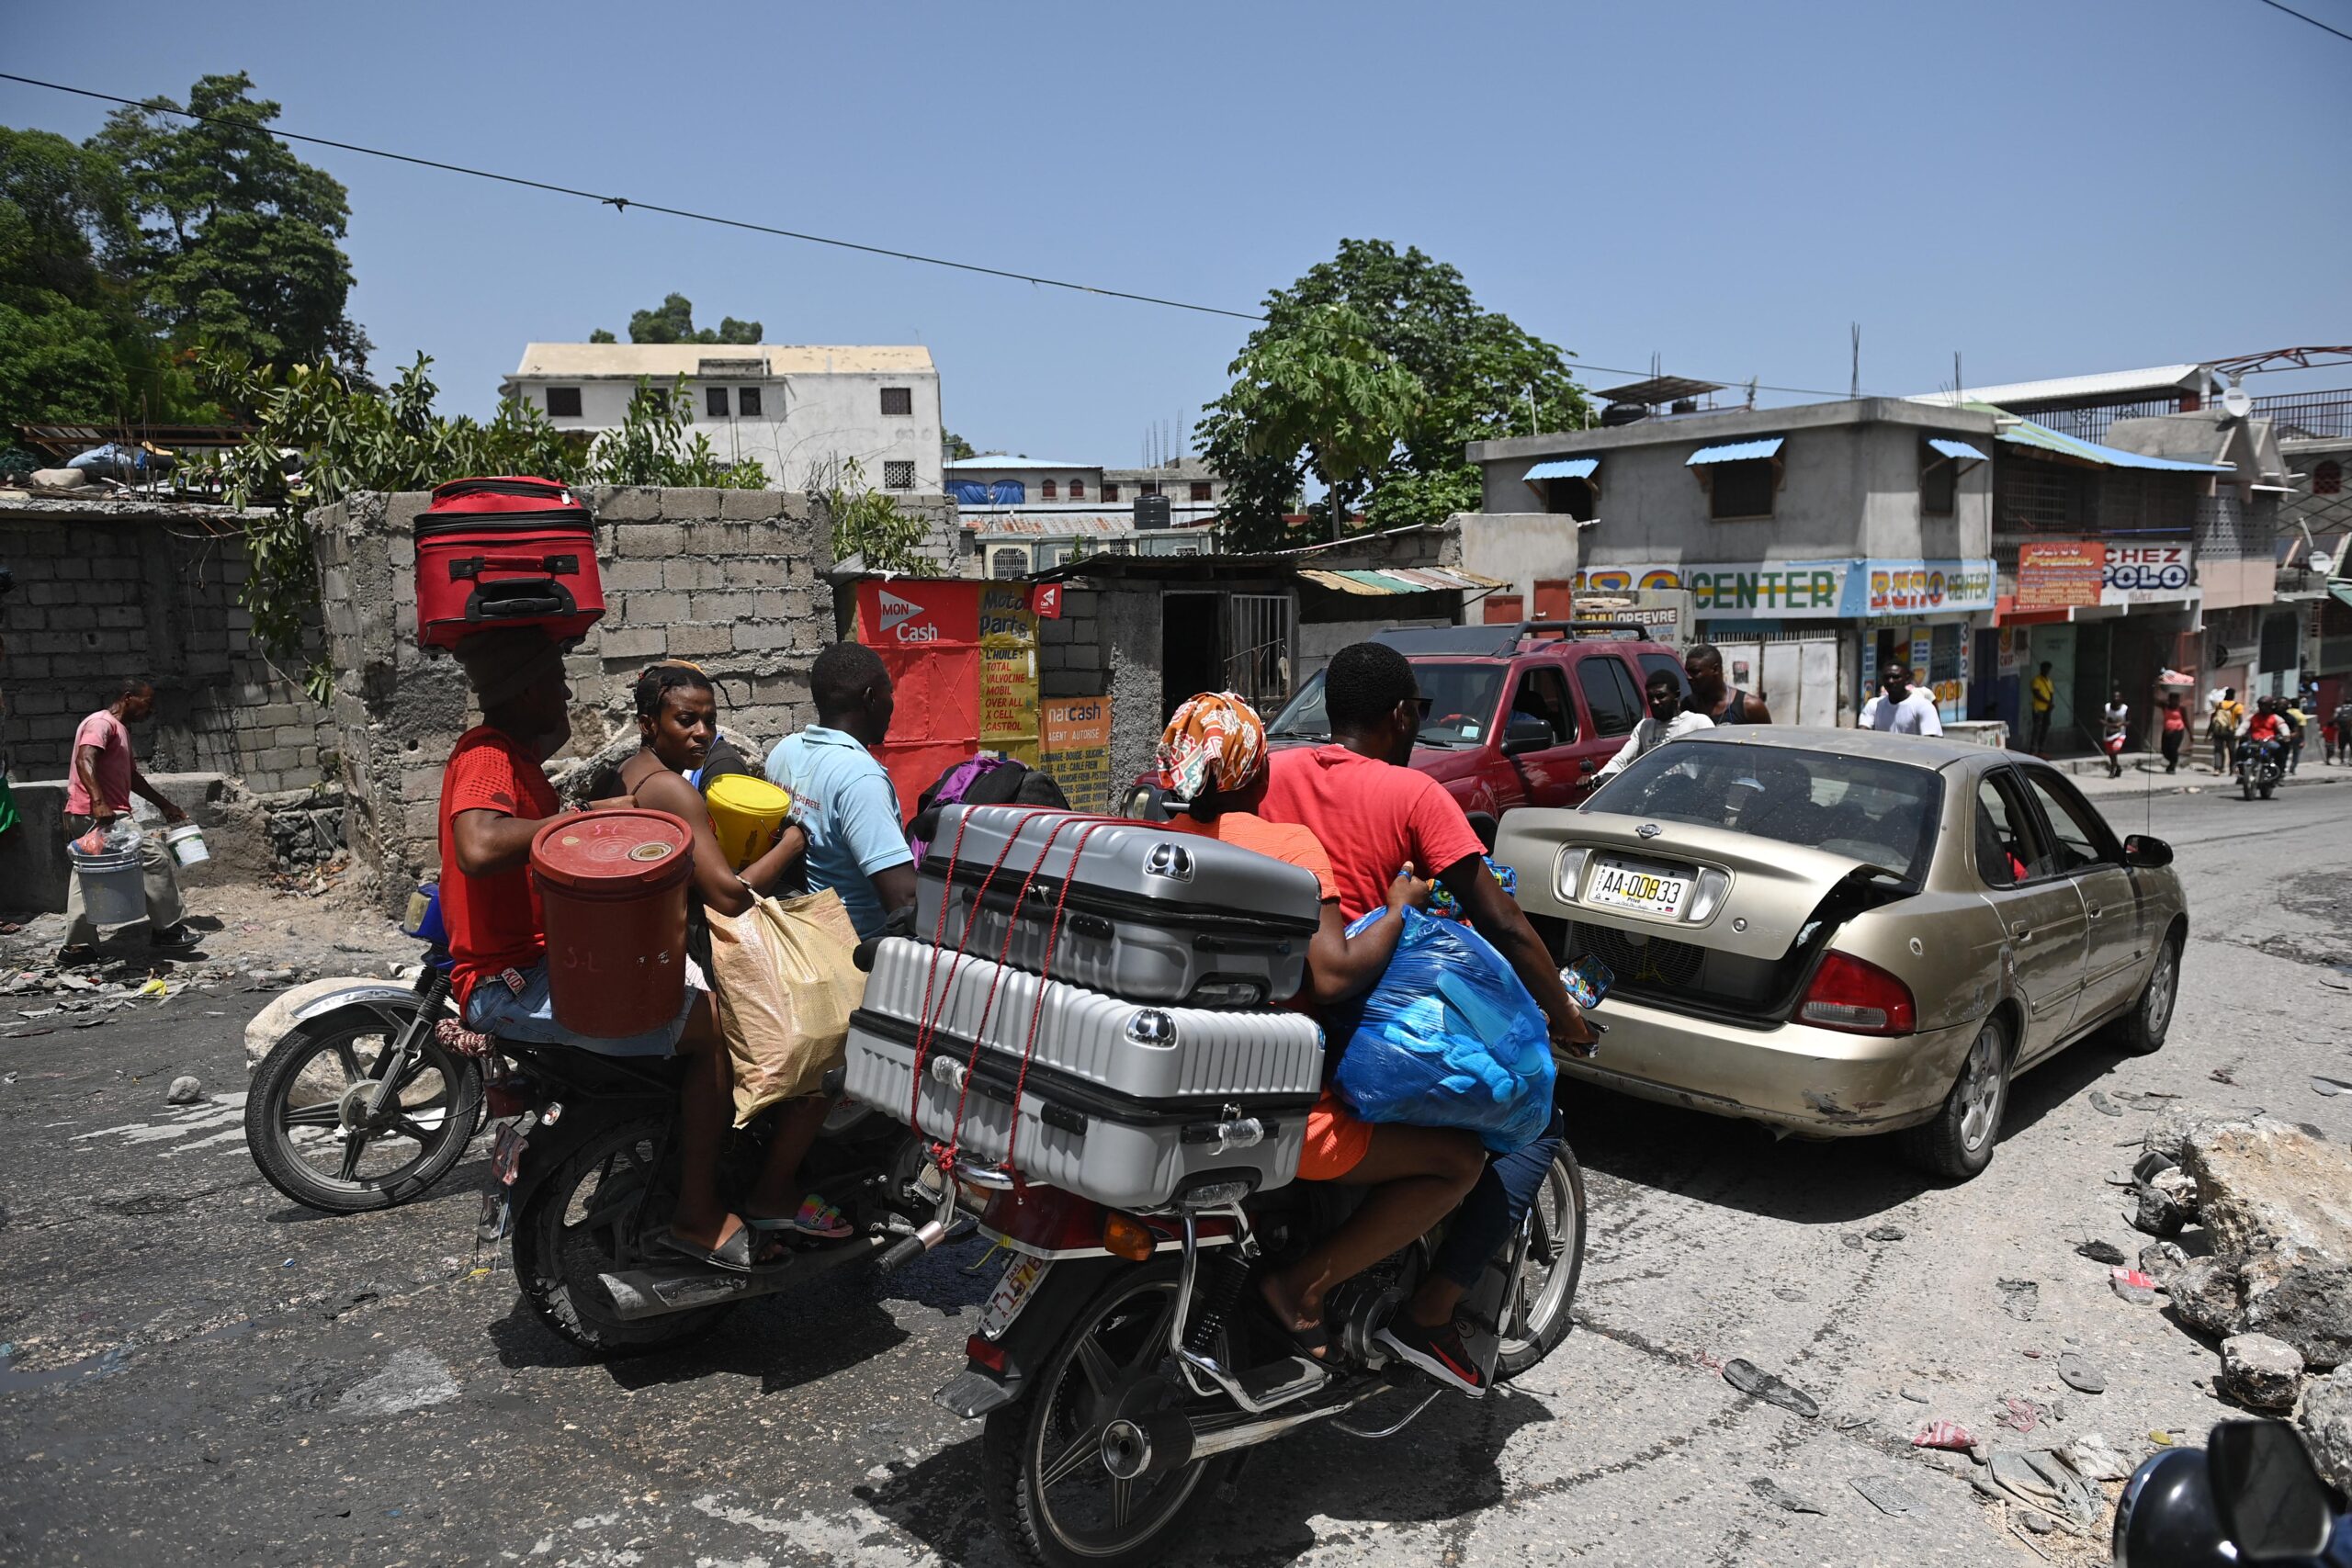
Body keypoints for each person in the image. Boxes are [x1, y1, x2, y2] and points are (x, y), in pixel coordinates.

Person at [1258, 641, 1592, 1396]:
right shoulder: (1413, 794)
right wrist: (1562, 1013)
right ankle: (1427, 1308)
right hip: (1346, 1042)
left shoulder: (1269, 774)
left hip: (1263, 1026)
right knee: (1524, 1128)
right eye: (1418, 714)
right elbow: (1501, 918)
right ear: (1401, 713)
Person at [1154, 693, 1489, 1388]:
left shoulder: (1153, 843)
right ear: (1256, 774)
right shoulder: (1285, 845)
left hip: (1170, 1080)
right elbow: (1334, 975)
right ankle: (1303, 1288)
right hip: (1266, 1105)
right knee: (1458, 1159)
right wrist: (1398, 911)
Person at [437, 627, 774, 1273]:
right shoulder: (488, 754)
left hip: (536, 965)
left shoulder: (519, 762)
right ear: (529, 690)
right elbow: (479, 846)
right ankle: (697, 1217)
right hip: (508, 980)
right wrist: (574, 822)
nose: (568, 697)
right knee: (716, 1034)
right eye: (560, 686)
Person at [610, 662, 852, 1242]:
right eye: (685, 720)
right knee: (822, 1034)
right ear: (649, 724)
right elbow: (727, 894)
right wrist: (792, 843)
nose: (700, 733)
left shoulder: (632, 773)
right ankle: (774, 1188)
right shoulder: (670, 788)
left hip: (656, 941)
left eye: (709, 721)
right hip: (700, 943)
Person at [763, 643, 919, 943]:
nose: (892, 702)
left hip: (799, 940)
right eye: (890, 692)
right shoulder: (860, 777)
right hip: (855, 956)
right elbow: (904, 900)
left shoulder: (784, 751)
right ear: (871, 698)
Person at [56, 678, 200, 964]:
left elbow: (133, 778)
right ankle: (167, 929)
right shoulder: (101, 723)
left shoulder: (120, 730)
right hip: (99, 813)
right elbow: (85, 759)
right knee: (153, 858)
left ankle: (78, 947)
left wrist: (165, 805)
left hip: (101, 811)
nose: (150, 710)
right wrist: (98, 801)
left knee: (87, 875)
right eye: (147, 703)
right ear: (127, 697)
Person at [1597, 668, 1713, 781]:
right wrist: (1597, 778)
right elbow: (1622, 760)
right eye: (1650, 697)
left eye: (1660, 696)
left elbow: (1714, 762)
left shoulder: (1697, 723)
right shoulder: (1645, 727)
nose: (1655, 702)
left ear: (1676, 696)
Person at [1681, 644, 1770, 725]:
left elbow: (1768, 740)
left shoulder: (1750, 707)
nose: (1688, 677)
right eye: (1688, 672)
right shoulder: (1688, 706)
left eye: (1695, 672)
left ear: (1715, 670)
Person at [1867, 667, 1944, 737]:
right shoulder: (1876, 704)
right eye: (1887, 678)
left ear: (1907, 680)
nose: (1891, 681)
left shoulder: (1924, 700)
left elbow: (1933, 738)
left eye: (1896, 677)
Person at [2212, 688, 2245, 773]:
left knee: (2218, 750)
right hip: (2230, 731)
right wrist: (2242, 732)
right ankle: (2232, 768)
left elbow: (2214, 718)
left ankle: (2218, 768)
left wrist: (2209, 732)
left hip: (2218, 731)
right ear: (2233, 695)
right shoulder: (2238, 706)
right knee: (2232, 751)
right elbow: (2240, 720)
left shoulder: (2219, 704)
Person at [2028, 662, 2056, 756]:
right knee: (2037, 729)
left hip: (2047, 709)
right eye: (2045, 668)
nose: (2047, 670)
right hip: (2038, 708)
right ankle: (2033, 750)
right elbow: (2036, 693)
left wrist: (2051, 704)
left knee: (2045, 729)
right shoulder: (2036, 680)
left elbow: (2051, 694)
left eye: (2048, 669)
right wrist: (2048, 702)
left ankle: (2041, 750)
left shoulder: (2049, 681)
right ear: (2041, 669)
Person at [2099, 688, 2129, 779]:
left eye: (2117, 697)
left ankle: (2112, 771)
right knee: (2111, 754)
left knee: (2114, 751)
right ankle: (2118, 767)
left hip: (2120, 734)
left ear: (2121, 698)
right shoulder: (2107, 707)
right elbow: (2100, 719)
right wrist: (2108, 724)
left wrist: (2121, 724)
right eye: (2114, 697)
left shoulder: (2125, 709)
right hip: (2108, 734)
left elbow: (2129, 721)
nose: (2115, 698)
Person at [2159, 692, 2188, 774]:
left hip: (2178, 731)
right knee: (2164, 749)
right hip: (2167, 730)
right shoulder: (2165, 706)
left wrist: (2190, 734)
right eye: (2172, 700)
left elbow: (2186, 720)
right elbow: (2156, 701)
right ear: (2169, 700)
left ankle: (2172, 766)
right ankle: (2172, 761)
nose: (2174, 702)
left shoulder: (2181, 708)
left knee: (2173, 748)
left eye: (2176, 700)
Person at [2284, 694, 2310, 774]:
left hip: (2285, 735)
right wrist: (2303, 740)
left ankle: (2283, 768)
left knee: (2285, 753)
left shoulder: (2286, 713)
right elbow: (2302, 729)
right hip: (2296, 737)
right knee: (2296, 754)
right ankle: (2292, 769)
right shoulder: (2300, 716)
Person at [2332, 698, 2352, 766]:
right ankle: (2350, 761)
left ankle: (2342, 760)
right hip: (2350, 730)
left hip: (2341, 730)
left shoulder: (2339, 709)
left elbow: (2334, 719)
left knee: (2341, 747)